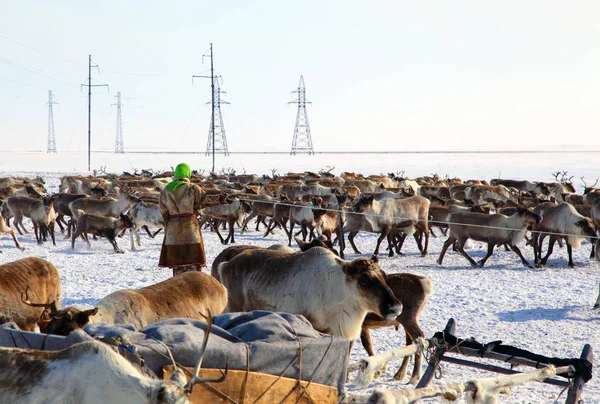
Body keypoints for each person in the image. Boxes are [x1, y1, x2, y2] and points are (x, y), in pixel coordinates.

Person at [158, 163, 223, 276]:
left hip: (173, 229)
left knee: (177, 264)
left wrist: (169, 225)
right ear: (188, 174)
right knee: (193, 262)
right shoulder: (192, 189)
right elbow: (205, 200)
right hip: (190, 227)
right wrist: (221, 199)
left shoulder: (165, 191)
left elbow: (164, 212)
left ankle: (180, 286)